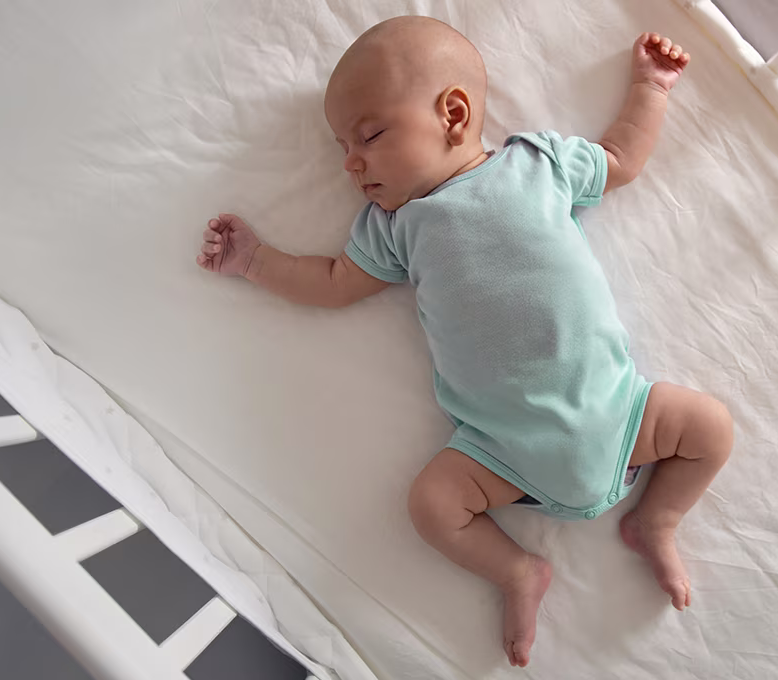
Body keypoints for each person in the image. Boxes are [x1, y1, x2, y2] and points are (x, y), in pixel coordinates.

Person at [196, 16, 733, 667]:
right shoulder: (395, 227)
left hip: (620, 414)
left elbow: (620, 161)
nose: (351, 162)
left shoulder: (536, 164)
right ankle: (516, 571)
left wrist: (651, 87)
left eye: (368, 135)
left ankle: (658, 520)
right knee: (431, 505)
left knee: (710, 428)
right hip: (499, 451)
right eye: (342, 147)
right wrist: (256, 262)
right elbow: (334, 281)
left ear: (453, 113)